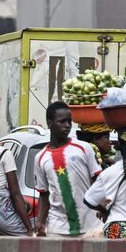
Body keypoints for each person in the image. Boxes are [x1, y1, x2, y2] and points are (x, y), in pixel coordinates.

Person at [34, 101, 103, 237]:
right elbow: (44, 194)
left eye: (69, 121)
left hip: (91, 228)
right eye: (62, 121)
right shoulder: (40, 158)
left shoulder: (84, 148)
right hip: (57, 229)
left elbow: (99, 182)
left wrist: (104, 207)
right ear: (49, 123)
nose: (67, 125)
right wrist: (40, 222)